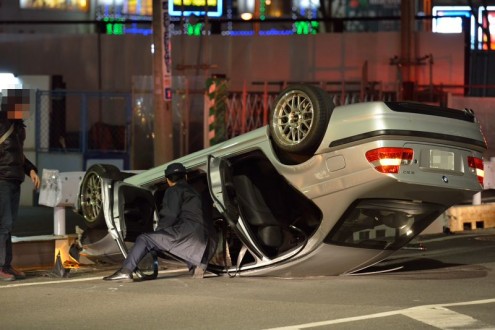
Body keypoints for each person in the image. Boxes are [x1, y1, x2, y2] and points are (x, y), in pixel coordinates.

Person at [103, 162, 217, 281]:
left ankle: (125, 271)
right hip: (208, 239)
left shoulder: (174, 190)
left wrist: (157, 234)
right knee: (178, 239)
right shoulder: (196, 192)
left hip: (189, 234)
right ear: (186, 177)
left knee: (145, 239)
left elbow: (170, 216)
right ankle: (196, 265)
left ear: (168, 180)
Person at [0, 89, 41, 281]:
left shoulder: (18, 127)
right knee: (4, 224)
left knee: (8, 225)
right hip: (2, 179)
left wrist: (31, 170)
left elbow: (18, 155)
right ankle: (2, 267)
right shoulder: (1, 123)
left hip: (14, 179)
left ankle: (6, 265)